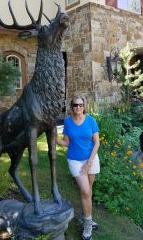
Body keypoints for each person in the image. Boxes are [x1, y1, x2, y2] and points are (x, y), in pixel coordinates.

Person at [56, 95, 100, 240]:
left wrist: (89, 162)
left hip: (91, 159)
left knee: (88, 192)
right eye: (75, 105)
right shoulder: (68, 122)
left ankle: (85, 215)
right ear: (71, 107)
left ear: (84, 106)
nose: (78, 108)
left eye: (80, 105)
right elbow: (66, 142)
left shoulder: (91, 120)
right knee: (86, 191)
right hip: (75, 160)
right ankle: (88, 223)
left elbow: (97, 143)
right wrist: (55, 138)